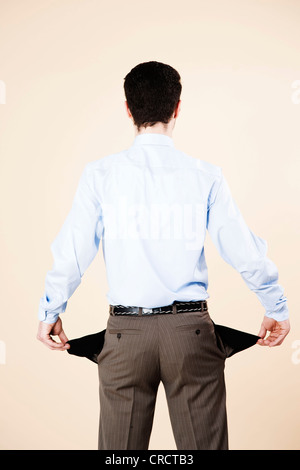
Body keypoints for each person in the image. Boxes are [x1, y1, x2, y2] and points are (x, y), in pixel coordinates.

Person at [37, 61, 290, 450]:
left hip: (125, 337)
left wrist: (50, 312)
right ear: (177, 108)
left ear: (128, 109)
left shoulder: (100, 175)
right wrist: (275, 302)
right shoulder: (205, 175)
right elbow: (243, 250)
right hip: (189, 334)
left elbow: (72, 254)